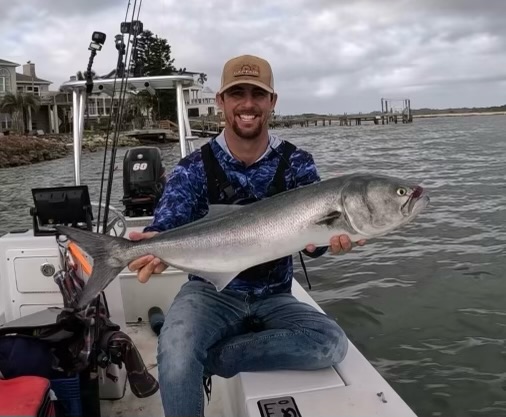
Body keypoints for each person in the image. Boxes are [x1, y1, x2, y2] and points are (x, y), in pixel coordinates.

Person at [127, 54, 366, 417]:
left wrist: (335, 239)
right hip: (210, 292)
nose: (248, 104)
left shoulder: (296, 163)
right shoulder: (193, 168)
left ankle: (214, 357)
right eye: (237, 93)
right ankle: (192, 349)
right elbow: (167, 224)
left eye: (258, 94)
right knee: (176, 348)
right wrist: (153, 244)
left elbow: (313, 246)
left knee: (330, 344)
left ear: (272, 102)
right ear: (221, 101)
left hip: (274, 295)